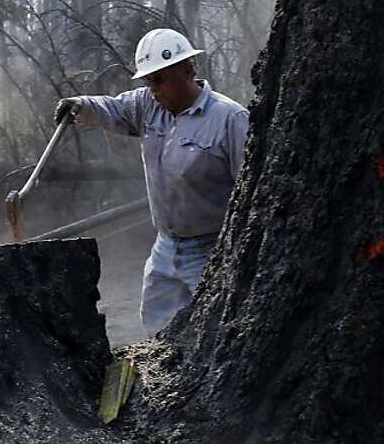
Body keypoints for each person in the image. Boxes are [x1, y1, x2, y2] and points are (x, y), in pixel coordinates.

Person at [54, 28, 249, 334]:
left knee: (211, 330)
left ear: (188, 70)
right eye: (149, 81)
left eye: (161, 80)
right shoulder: (148, 106)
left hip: (211, 247)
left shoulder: (230, 119)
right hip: (166, 247)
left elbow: (249, 192)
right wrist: (81, 105)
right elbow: (114, 108)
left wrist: (235, 249)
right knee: (158, 328)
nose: (154, 89)